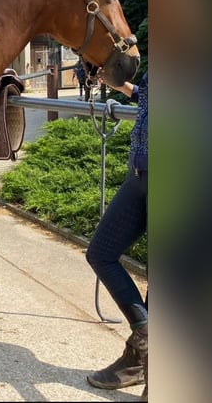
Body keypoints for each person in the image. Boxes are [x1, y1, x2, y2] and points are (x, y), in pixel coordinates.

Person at [85, 71, 148, 400]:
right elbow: (149, 96)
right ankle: (147, 336)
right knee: (100, 252)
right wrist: (122, 86)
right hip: (140, 174)